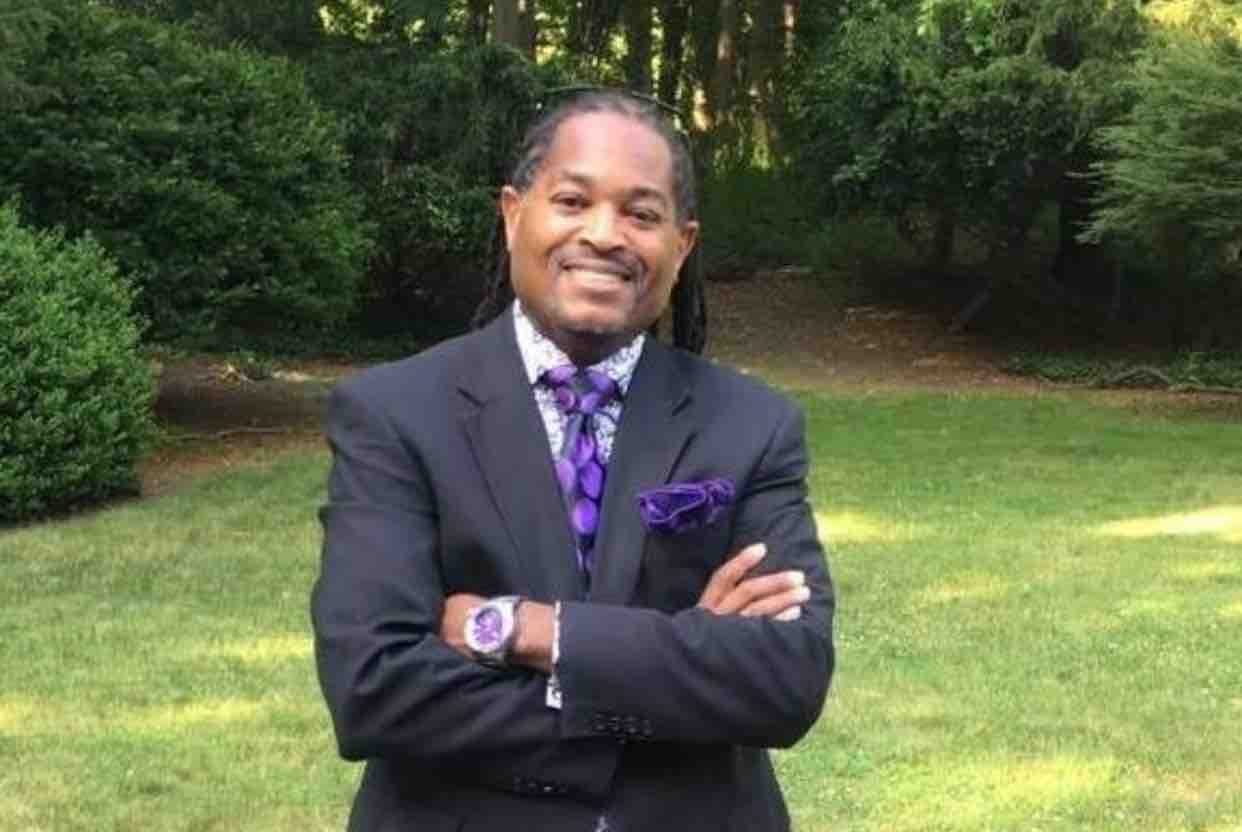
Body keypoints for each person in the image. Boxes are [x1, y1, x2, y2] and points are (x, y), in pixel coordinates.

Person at [312, 88, 835, 832]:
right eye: (572, 201)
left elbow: (784, 680)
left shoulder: (753, 425)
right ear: (513, 213)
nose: (604, 234)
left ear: (682, 245)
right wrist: (676, 674)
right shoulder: (395, 414)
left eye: (641, 214)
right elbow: (375, 690)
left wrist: (525, 630)